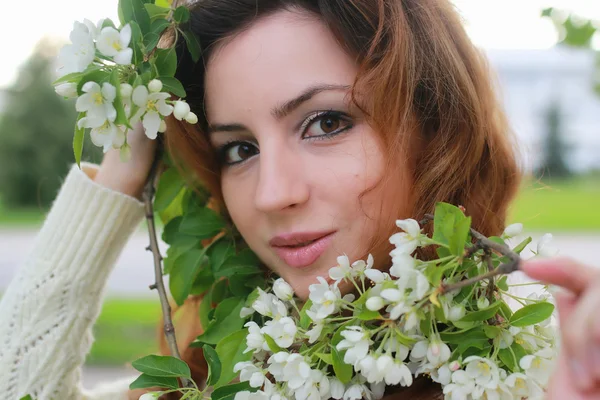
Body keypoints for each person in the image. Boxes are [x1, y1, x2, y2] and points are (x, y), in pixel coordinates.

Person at [0, 0, 599, 399]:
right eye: (238, 150)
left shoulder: (526, 369)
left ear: (434, 124)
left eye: (327, 123)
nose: (272, 194)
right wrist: (122, 169)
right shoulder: (230, 366)